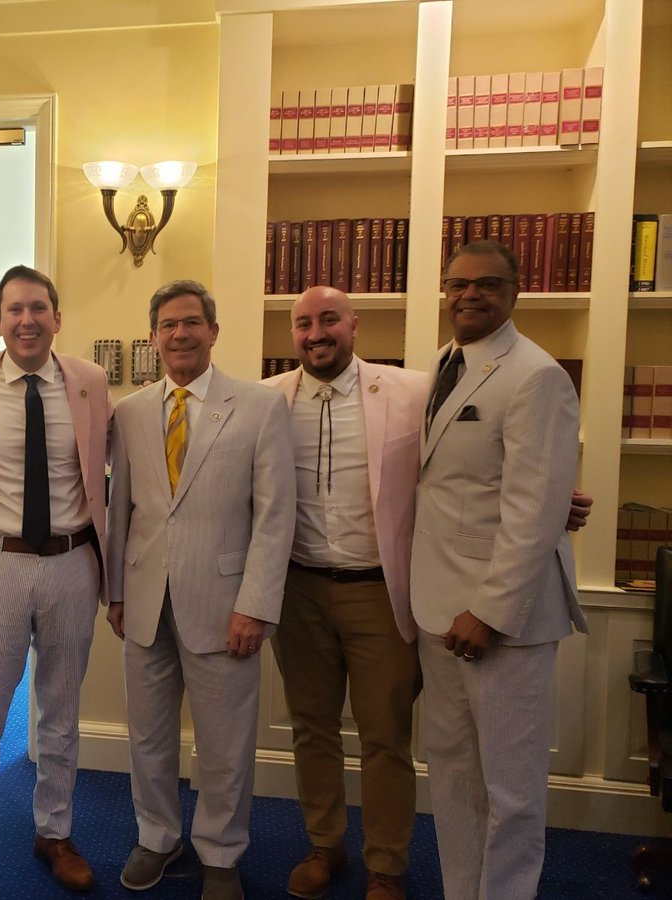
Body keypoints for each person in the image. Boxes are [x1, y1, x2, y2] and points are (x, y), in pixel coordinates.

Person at [105, 280, 296, 900]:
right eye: (167, 324)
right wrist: (115, 591)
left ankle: (220, 853)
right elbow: (121, 509)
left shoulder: (260, 406)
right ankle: (157, 837)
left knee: (224, 744)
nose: (179, 334)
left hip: (225, 606)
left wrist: (256, 604)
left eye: (191, 322)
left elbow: (275, 515)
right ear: (154, 335)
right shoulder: (131, 411)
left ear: (213, 331)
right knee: (149, 735)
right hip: (144, 602)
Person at [0, 265, 111, 900]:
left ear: (57, 318)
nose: (27, 320)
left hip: (72, 562)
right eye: (14, 310)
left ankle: (54, 832)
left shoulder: (90, 383)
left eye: (39, 308)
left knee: (60, 711)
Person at [411, 240, 586, 900]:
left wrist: (488, 611)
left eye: (487, 284)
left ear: (515, 292)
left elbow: (535, 511)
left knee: (509, 790)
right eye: (457, 284)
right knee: (454, 775)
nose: (469, 294)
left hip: (500, 622)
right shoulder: (442, 364)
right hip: (437, 609)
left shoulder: (538, 375)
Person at [263, 285, 426, 900]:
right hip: (298, 589)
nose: (316, 333)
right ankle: (324, 846)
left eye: (329, 319)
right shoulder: (269, 399)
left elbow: (461, 466)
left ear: (354, 325)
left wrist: (554, 501)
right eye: (303, 324)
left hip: (379, 592)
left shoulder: (408, 391)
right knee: (312, 727)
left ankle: (386, 865)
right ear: (293, 335)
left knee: (386, 735)